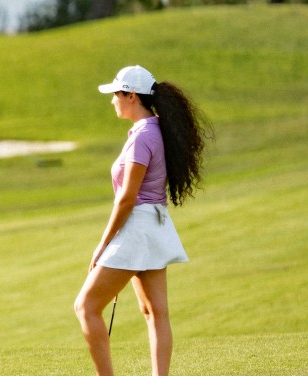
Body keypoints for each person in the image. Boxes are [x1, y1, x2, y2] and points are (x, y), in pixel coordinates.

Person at [74, 65, 207, 376]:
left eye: (116, 95)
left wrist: (103, 245)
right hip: (155, 225)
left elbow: (127, 198)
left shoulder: (143, 136)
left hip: (138, 227)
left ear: (131, 96)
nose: (112, 101)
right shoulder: (155, 129)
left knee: (86, 307)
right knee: (154, 312)